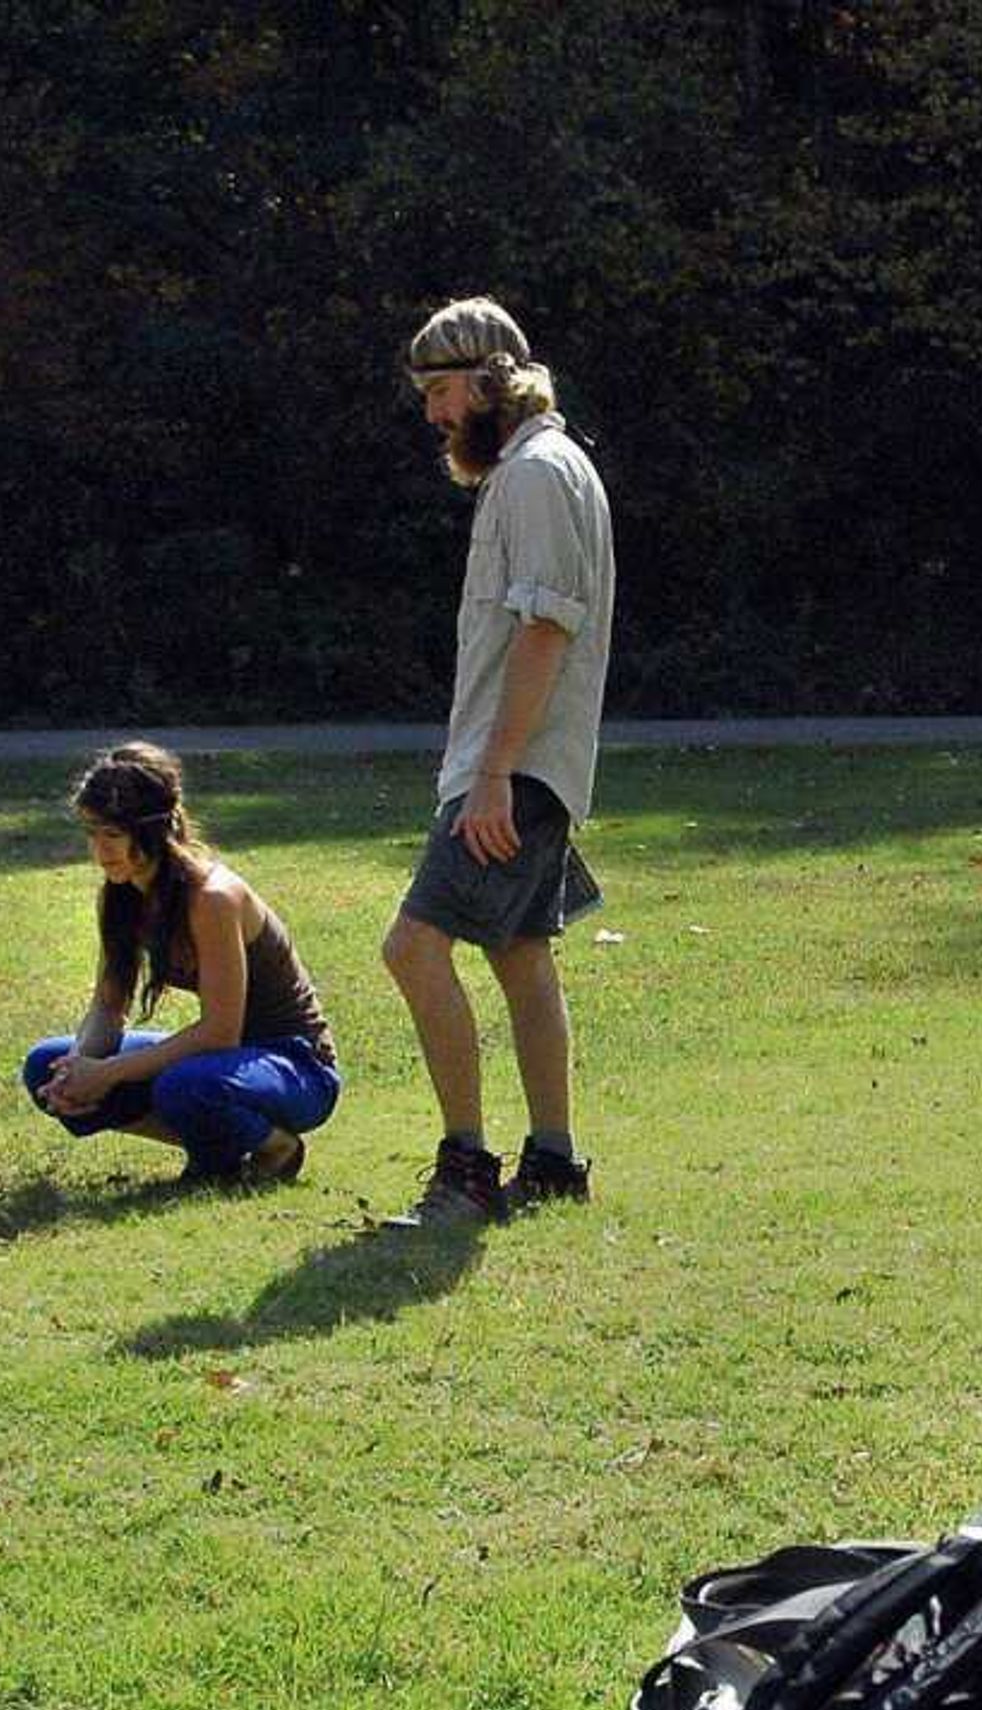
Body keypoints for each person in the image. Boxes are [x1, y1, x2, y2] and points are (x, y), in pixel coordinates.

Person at [380, 293, 616, 1229]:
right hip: (520, 768)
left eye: (441, 392)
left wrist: (490, 774)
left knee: (411, 948)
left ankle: (466, 1171)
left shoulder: (534, 474)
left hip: (509, 773)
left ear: (489, 382)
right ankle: (553, 1163)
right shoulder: (540, 470)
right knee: (520, 957)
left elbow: (546, 631)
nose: (434, 415)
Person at [22, 743, 341, 1184]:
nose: (99, 849)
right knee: (47, 1063)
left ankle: (274, 1144)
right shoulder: (119, 892)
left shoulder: (211, 898)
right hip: (221, 1064)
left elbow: (219, 1031)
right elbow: (108, 1008)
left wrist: (107, 1073)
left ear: (153, 831)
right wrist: (78, 1068)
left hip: (295, 1066)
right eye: (92, 833)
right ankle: (217, 1149)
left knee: (185, 1085)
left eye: (112, 835)